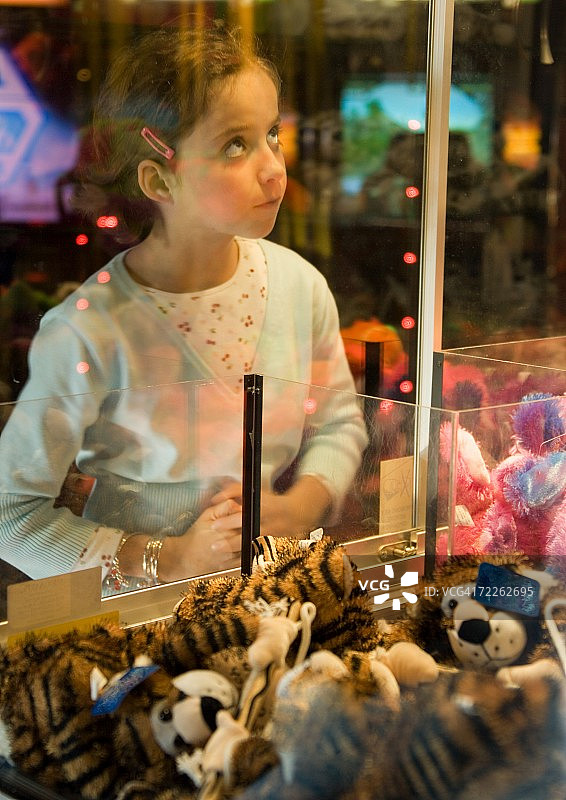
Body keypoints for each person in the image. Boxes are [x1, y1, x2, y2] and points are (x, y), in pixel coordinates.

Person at [0, 24, 367, 594]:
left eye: (271, 134)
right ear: (160, 181)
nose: (273, 168)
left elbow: (340, 422)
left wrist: (301, 507)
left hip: (265, 600)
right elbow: (10, 515)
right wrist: (163, 559)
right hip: (132, 627)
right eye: (234, 146)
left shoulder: (300, 286)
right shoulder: (88, 327)